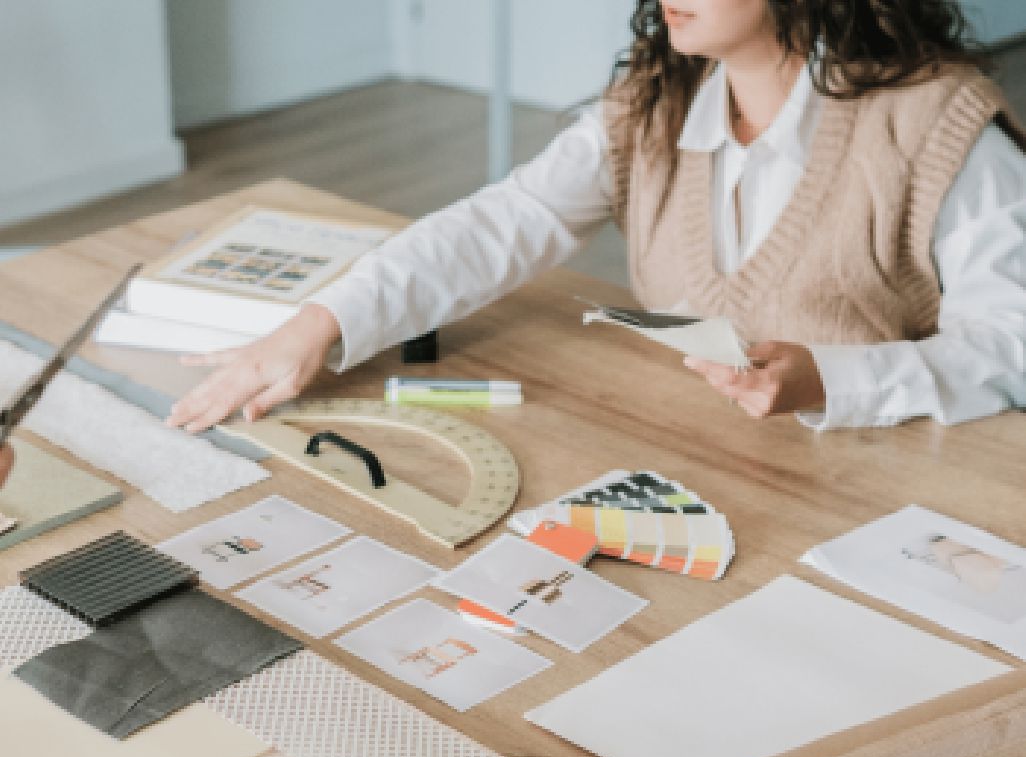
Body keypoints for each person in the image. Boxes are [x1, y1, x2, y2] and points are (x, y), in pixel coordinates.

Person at [167, 0, 1026, 434]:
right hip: (701, 464)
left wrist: (832, 382)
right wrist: (322, 323)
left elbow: (1013, 346)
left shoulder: (938, 124)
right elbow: (502, 222)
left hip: (888, 494)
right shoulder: (650, 106)